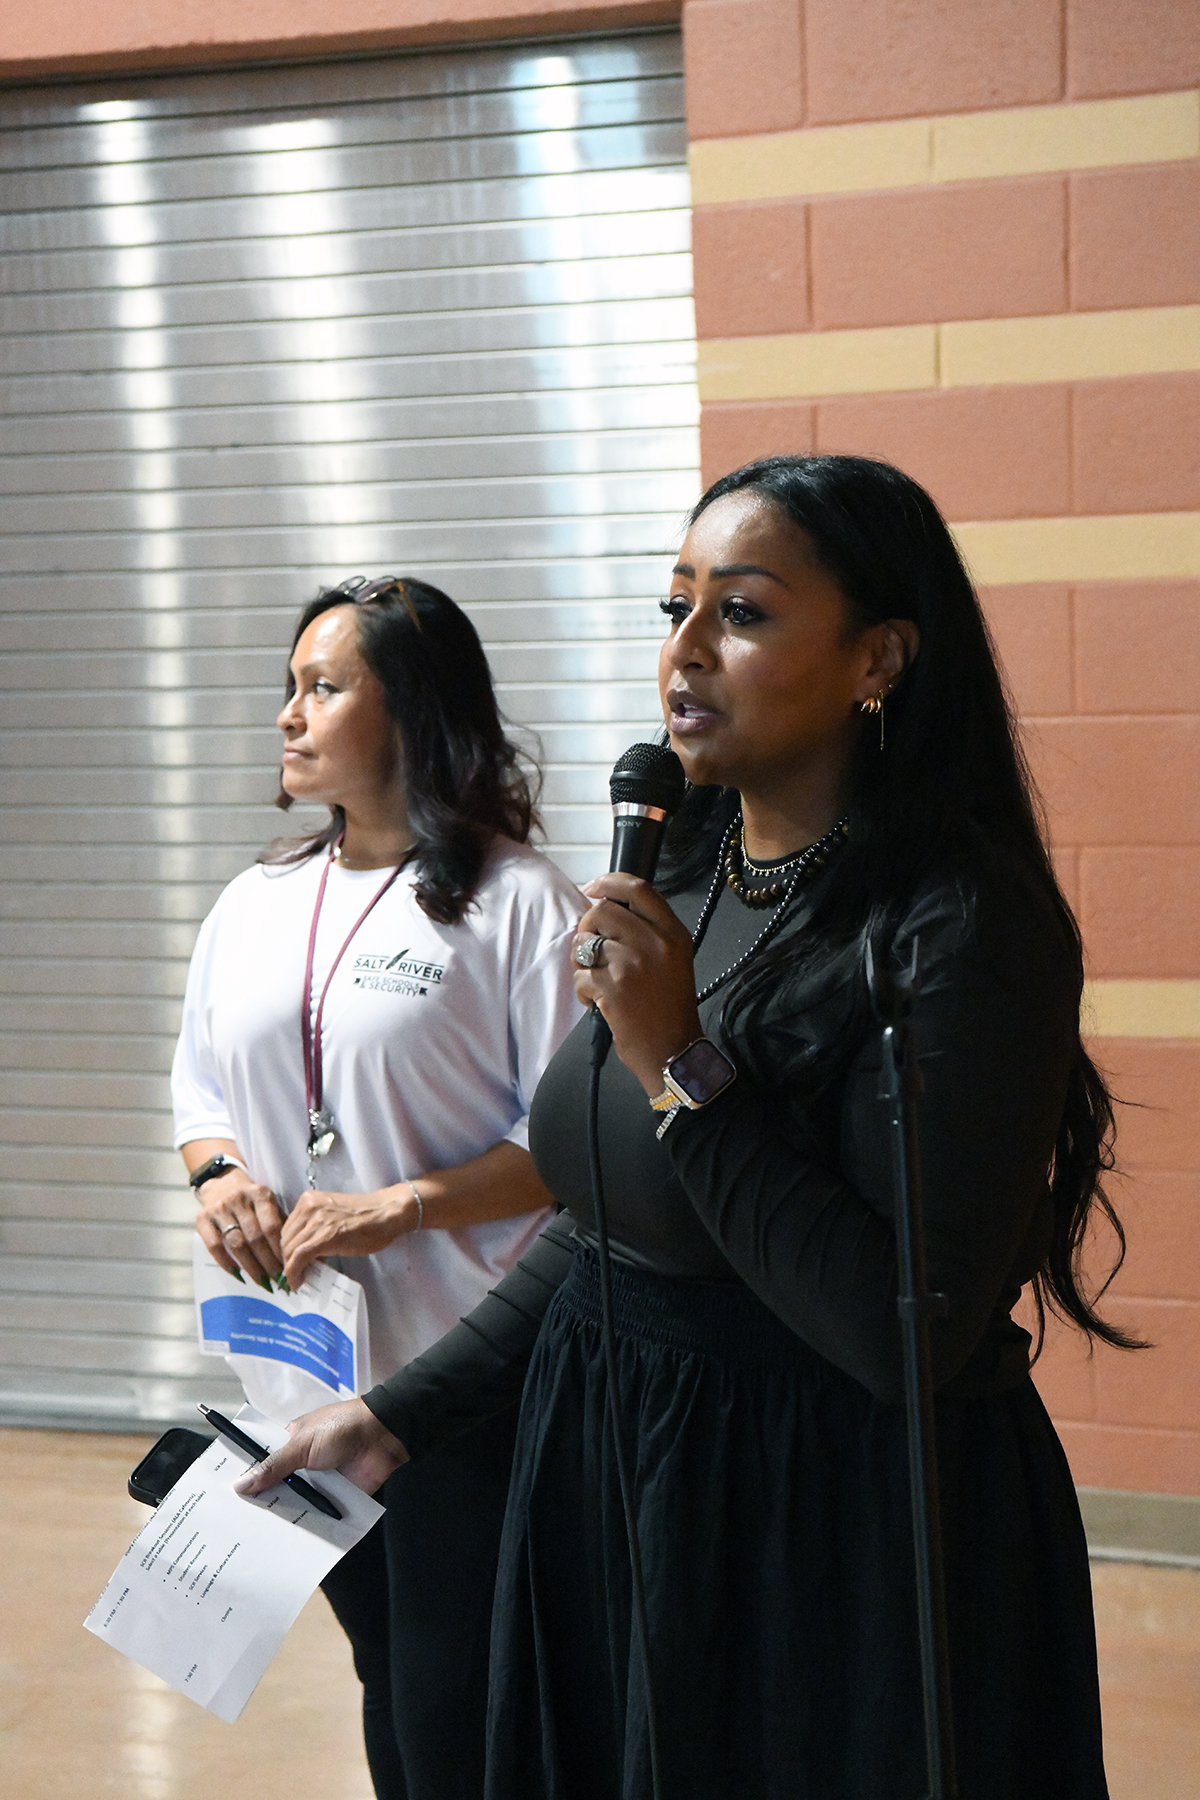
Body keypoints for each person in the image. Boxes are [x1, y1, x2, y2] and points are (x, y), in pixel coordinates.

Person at [238, 460, 1137, 1800]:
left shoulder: (960, 927)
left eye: (746, 613)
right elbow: (610, 1223)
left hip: (823, 1523)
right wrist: (395, 1418)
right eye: (676, 607)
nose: (687, 650)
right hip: (616, 1471)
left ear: (879, 658)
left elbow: (904, 1329)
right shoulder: (678, 869)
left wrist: (679, 1059)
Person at [171, 574, 584, 1800]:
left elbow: (572, 1149)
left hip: (461, 1386)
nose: (289, 715)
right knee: (385, 1668)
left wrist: (400, 1205)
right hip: (300, 1375)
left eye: (323, 686)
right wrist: (223, 1178)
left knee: (452, 1689)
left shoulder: (522, 907)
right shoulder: (254, 901)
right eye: (289, 688)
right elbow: (199, 1092)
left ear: (411, 708)